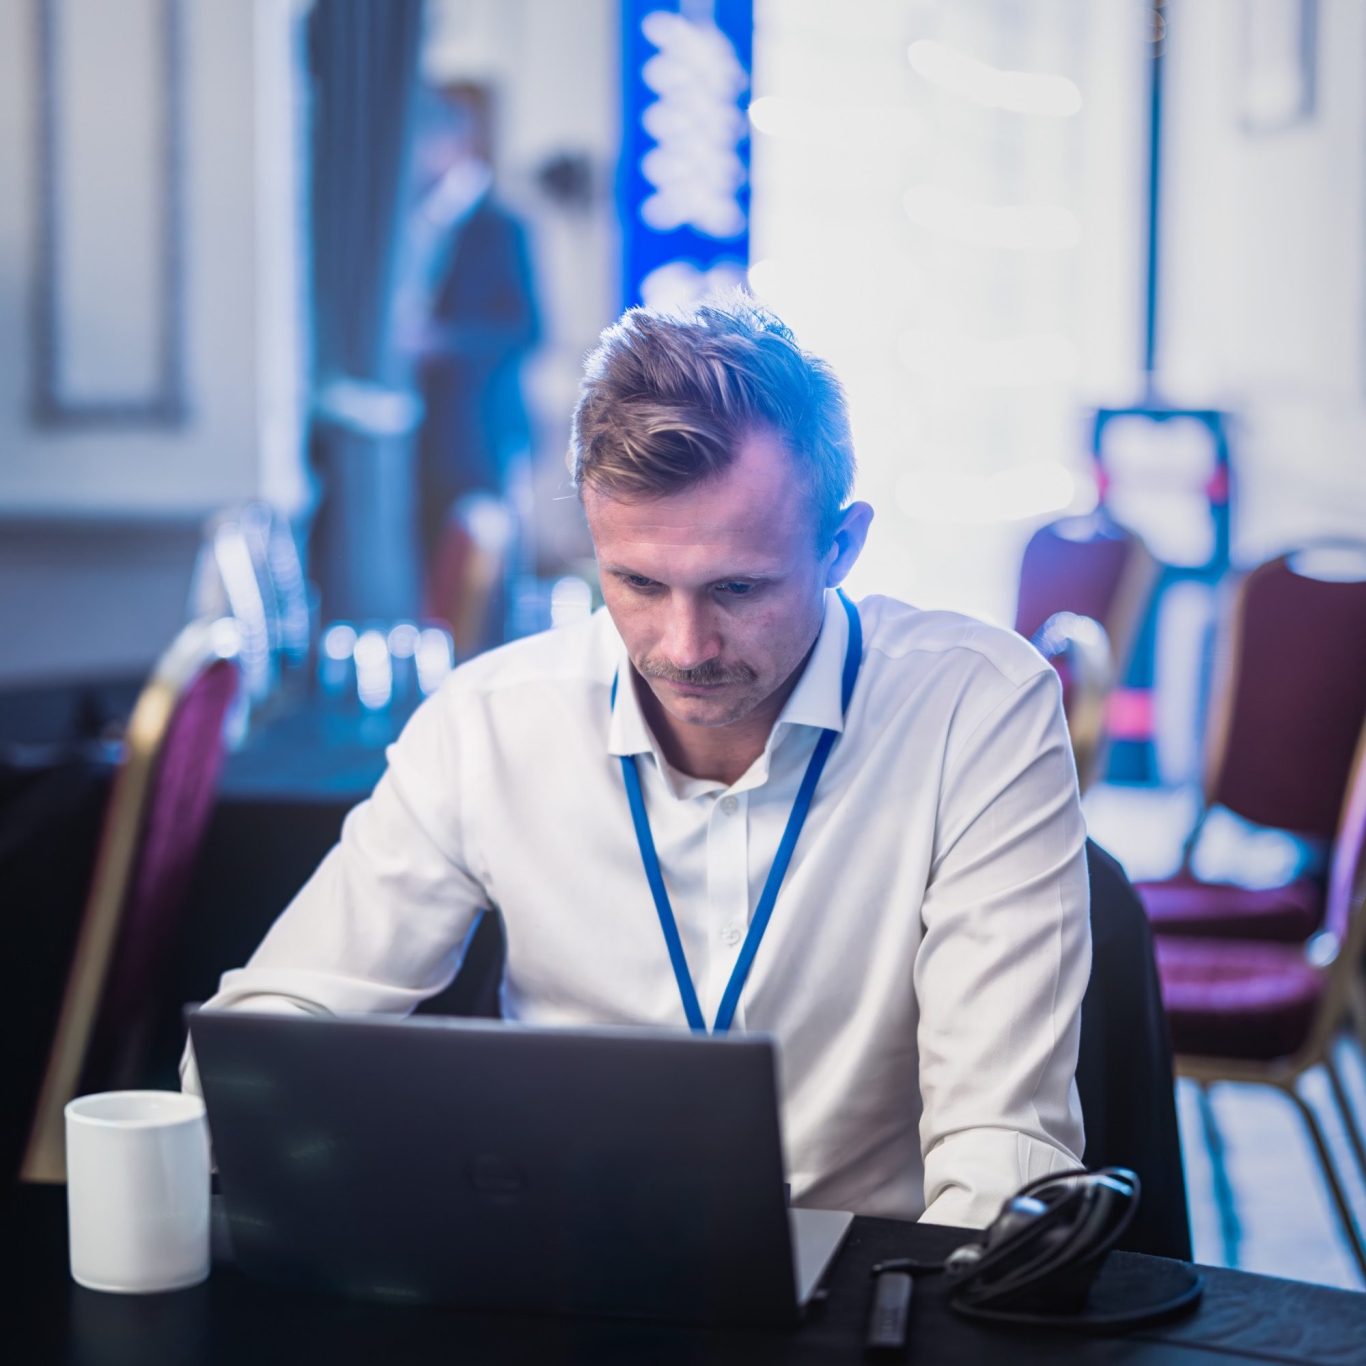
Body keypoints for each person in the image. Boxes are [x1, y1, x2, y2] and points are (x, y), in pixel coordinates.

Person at [183, 296, 1091, 1229]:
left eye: (739, 587)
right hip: (568, 1275)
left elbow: (1001, 1147)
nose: (684, 646)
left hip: (872, 1280)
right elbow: (272, 1031)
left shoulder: (974, 707)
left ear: (841, 547)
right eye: (637, 583)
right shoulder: (488, 722)